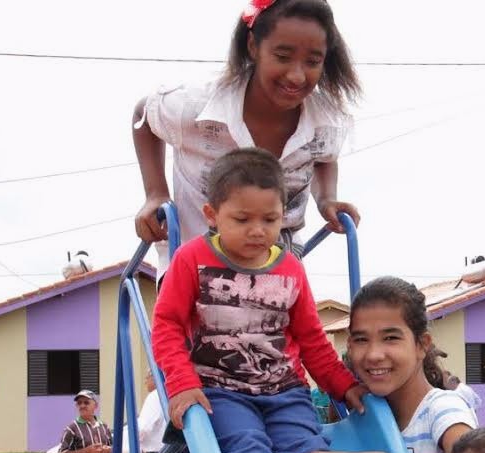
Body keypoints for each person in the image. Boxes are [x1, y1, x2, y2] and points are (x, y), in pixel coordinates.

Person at [152, 148, 398, 453]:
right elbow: (167, 325)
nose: (257, 230)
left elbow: (312, 340)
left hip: (285, 392)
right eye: (242, 219)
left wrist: (343, 386)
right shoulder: (191, 260)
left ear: (283, 215)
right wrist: (183, 384)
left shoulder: (290, 269)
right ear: (212, 214)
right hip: (222, 391)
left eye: (269, 219)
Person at [132, 0, 361, 278]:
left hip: (277, 267)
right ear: (254, 46)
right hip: (195, 269)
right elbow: (143, 115)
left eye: (312, 62)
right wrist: (155, 194)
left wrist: (327, 199)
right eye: (283, 56)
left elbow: (325, 156)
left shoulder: (325, 120)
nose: (297, 75)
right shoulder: (197, 107)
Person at [293, 276, 477, 453]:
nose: (374, 355)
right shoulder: (364, 415)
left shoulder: (443, 410)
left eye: (390, 338)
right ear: (349, 346)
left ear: (422, 345)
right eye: (361, 339)